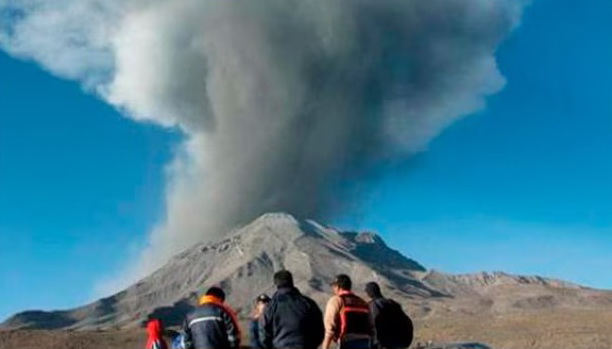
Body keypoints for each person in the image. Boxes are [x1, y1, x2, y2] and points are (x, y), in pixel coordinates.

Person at [260, 270, 325, 349]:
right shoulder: (308, 304)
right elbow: (319, 331)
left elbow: (263, 335)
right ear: (292, 282)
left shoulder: (270, 307)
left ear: (276, 284)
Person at [322, 274, 374, 349]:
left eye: (334, 286)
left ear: (338, 287)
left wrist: (325, 346)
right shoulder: (363, 302)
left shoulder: (336, 300)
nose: (333, 289)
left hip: (347, 342)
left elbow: (330, 328)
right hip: (366, 343)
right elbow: (371, 326)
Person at [365, 282, 413, 349]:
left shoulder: (373, 306)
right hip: (399, 343)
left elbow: (374, 325)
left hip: (384, 344)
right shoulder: (393, 304)